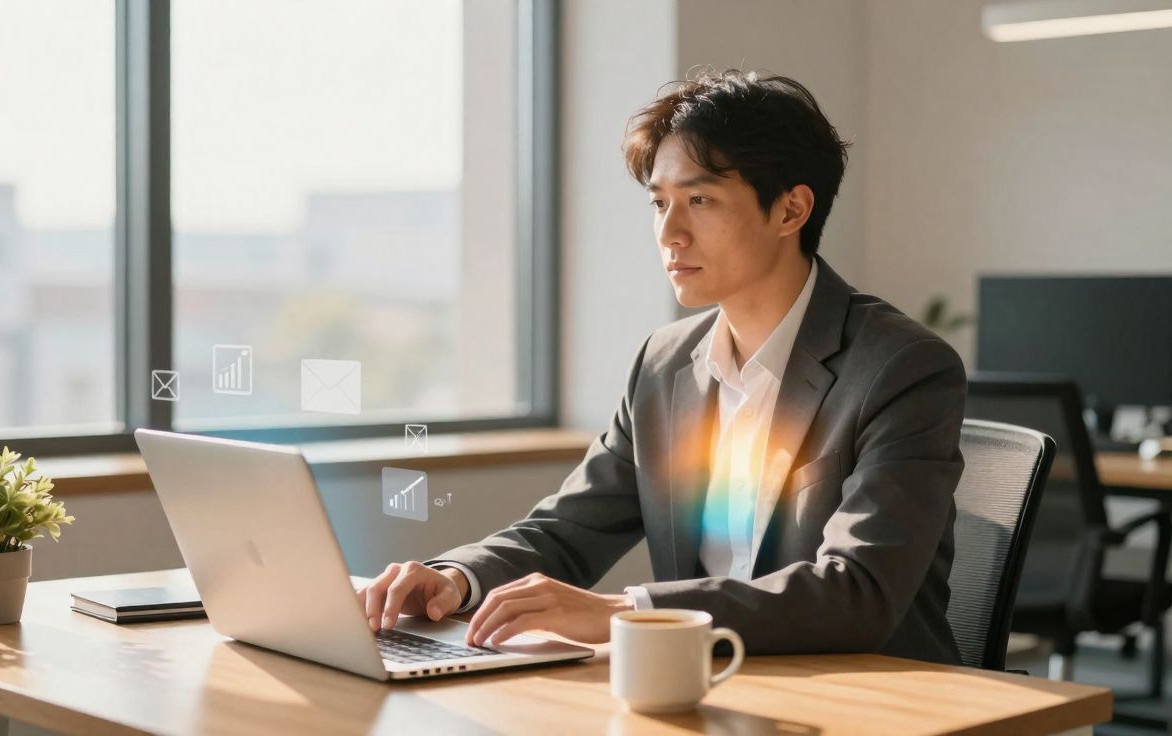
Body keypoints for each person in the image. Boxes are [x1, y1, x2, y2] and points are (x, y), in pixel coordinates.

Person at [356, 69, 967, 664]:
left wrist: (628, 612)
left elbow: (856, 592)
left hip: (869, 698)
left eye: (699, 200)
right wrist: (455, 579)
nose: (669, 233)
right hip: (704, 685)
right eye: (659, 203)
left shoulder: (901, 367)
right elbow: (569, 530)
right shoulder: (665, 362)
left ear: (790, 211)